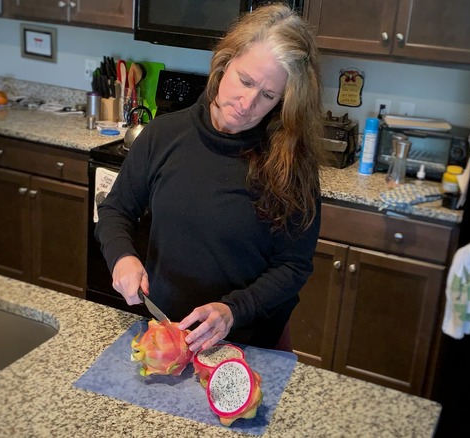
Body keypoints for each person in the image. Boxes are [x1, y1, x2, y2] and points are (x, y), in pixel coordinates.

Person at [94, 3, 324, 351]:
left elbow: (293, 266)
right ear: (224, 61)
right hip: (165, 332)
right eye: (244, 81)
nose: (247, 103)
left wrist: (233, 310)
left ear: (283, 102)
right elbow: (115, 211)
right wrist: (122, 257)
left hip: (249, 342)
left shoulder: (292, 163)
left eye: (267, 95)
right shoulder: (164, 135)